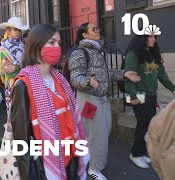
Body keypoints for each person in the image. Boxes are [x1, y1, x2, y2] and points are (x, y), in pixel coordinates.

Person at [11, 24, 88, 180]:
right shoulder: (23, 86)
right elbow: (21, 143)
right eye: (51, 42)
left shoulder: (60, 81)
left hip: (71, 161)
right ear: (37, 45)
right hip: (45, 168)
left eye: (59, 43)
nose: (57, 47)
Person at [68, 22, 140, 180]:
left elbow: (106, 74)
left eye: (97, 28)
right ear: (85, 35)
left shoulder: (99, 52)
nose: (98, 30)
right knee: (97, 135)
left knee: (103, 131)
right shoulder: (79, 53)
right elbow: (75, 77)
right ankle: (94, 168)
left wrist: (124, 74)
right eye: (94, 29)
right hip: (88, 99)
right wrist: (87, 81)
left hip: (102, 97)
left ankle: (85, 158)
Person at [124, 35, 175, 168]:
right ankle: (136, 154)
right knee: (145, 124)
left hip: (151, 95)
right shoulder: (133, 55)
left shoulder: (153, 55)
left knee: (146, 125)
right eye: (150, 37)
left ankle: (141, 152)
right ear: (142, 38)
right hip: (138, 95)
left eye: (154, 37)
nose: (153, 39)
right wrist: (133, 97)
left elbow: (162, 76)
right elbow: (129, 77)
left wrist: (173, 89)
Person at [0, 16, 28, 118]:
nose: (18, 32)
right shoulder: (4, 49)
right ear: (9, 31)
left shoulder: (23, 47)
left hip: (24, 82)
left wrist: (17, 67)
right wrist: (19, 68)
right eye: (15, 30)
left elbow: (27, 65)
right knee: (13, 113)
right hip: (12, 84)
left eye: (19, 30)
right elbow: (7, 70)